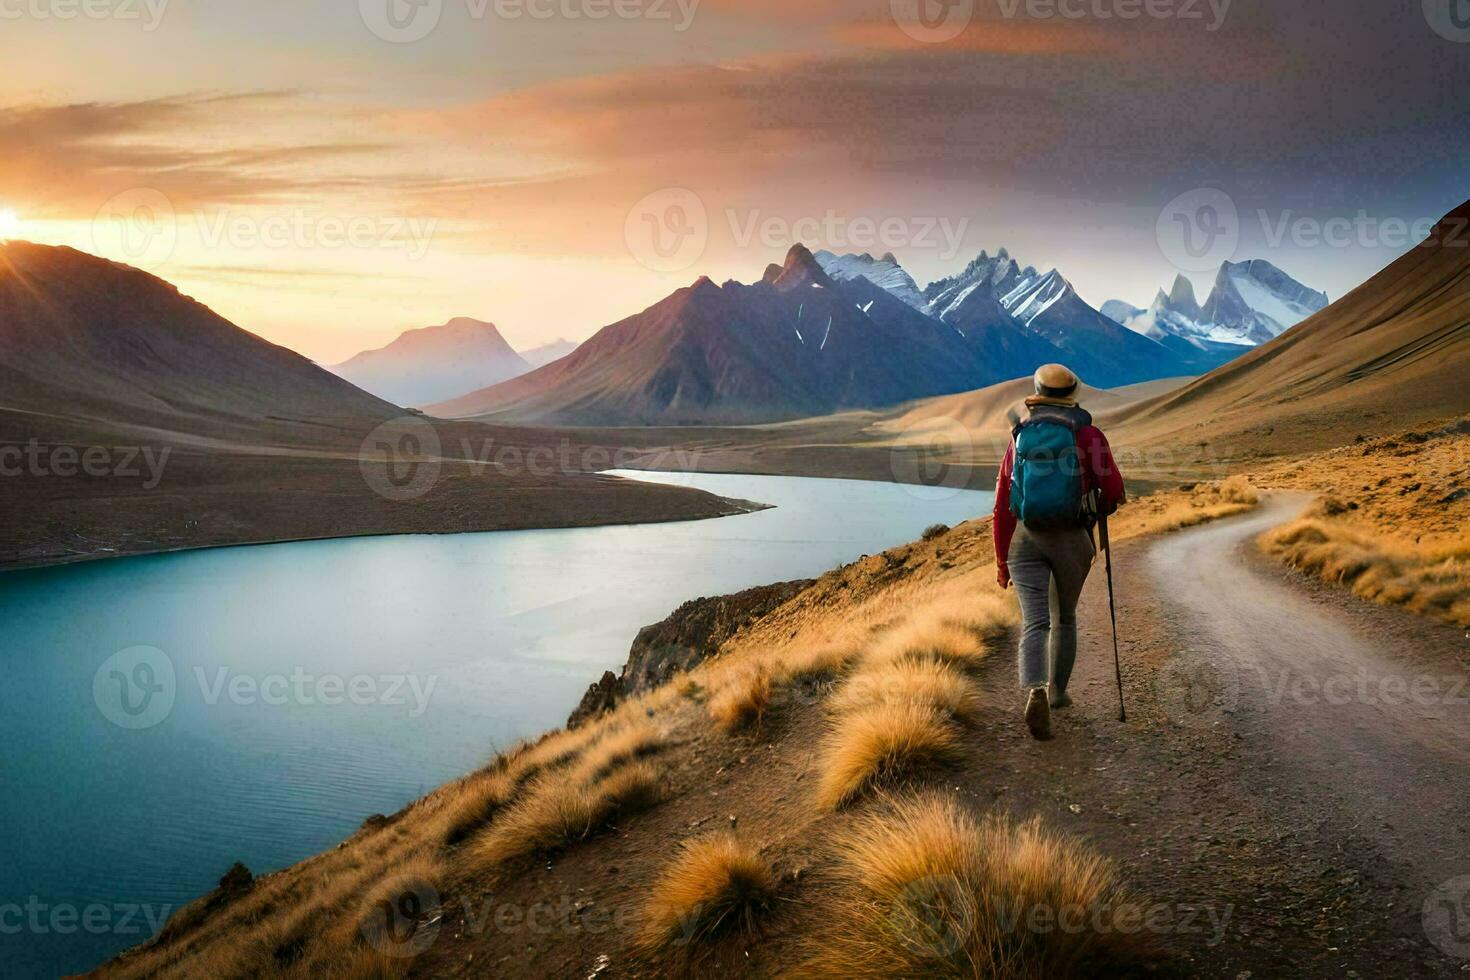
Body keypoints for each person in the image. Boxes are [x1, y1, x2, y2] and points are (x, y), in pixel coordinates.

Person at [993, 364, 1125, 741]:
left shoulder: (1019, 436)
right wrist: (1099, 505)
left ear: (1037, 393)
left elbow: (1003, 501)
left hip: (1025, 539)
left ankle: (1034, 689)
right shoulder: (1089, 435)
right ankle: (1059, 694)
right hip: (1071, 539)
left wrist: (1002, 560)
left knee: (1035, 622)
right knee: (1064, 618)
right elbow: (1113, 488)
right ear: (1072, 395)